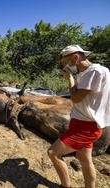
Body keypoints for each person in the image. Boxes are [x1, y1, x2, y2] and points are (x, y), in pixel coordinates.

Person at [47, 45, 110, 188]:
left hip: (86, 126)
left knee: (53, 153)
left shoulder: (94, 72)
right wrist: (71, 77)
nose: (67, 66)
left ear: (76, 57)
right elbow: (79, 94)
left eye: (67, 62)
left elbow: (75, 98)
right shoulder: (88, 73)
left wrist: (69, 77)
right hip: (84, 123)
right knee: (84, 159)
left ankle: (65, 186)